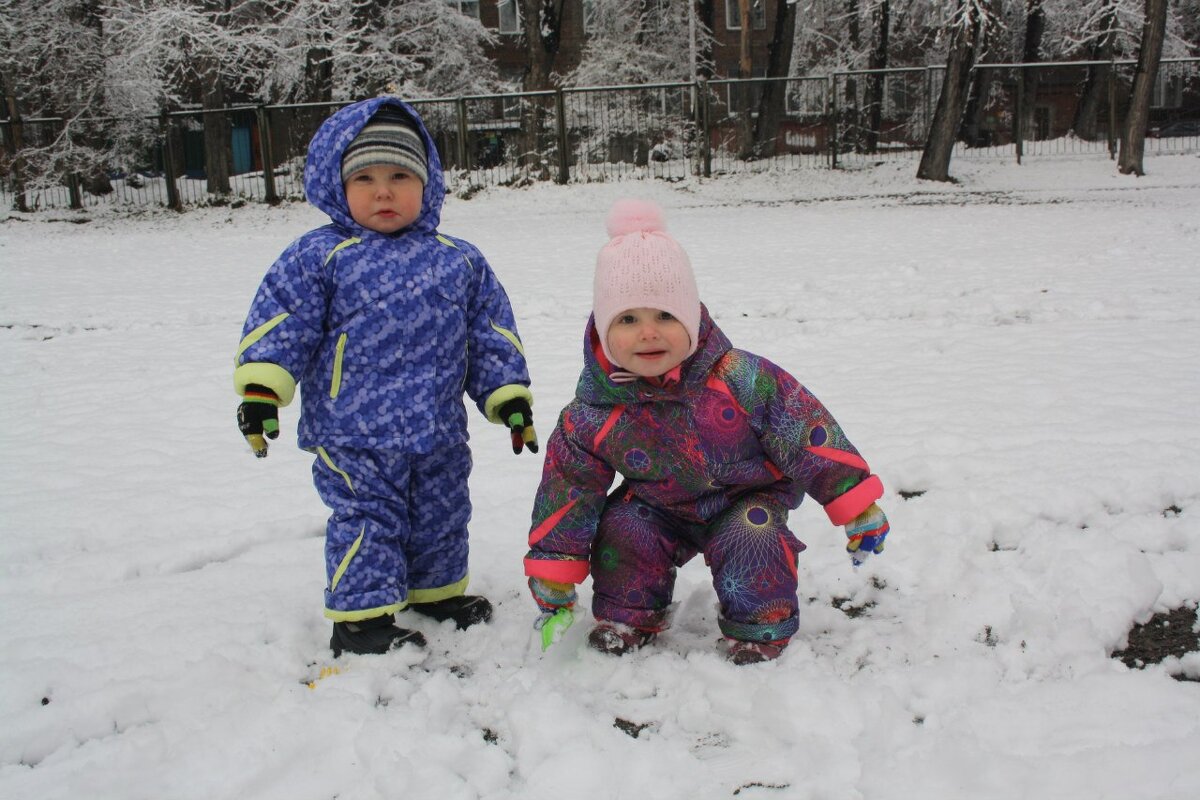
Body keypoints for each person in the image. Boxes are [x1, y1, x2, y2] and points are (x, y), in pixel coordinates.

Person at [234, 97, 539, 657]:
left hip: (438, 428)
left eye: (400, 176)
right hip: (353, 432)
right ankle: (361, 619)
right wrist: (261, 391)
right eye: (365, 178)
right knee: (368, 518)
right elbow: (281, 322)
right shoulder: (321, 256)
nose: (383, 191)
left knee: (442, 512)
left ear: (428, 183)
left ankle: (435, 592)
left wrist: (507, 397)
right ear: (336, 184)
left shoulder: (459, 260)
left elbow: (490, 333)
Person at [523, 199, 890, 665]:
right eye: (628, 319)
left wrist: (855, 501)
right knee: (624, 525)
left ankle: (759, 629)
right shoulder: (594, 410)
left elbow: (806, 431)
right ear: (601, 329)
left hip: (744, 497)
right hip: (659, 506)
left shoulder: (740, 378)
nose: (648, 333)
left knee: (751, 534)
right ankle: (628, 617)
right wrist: (555, 563)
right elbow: (568, 488)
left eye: (665, 316)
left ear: (692, 320)